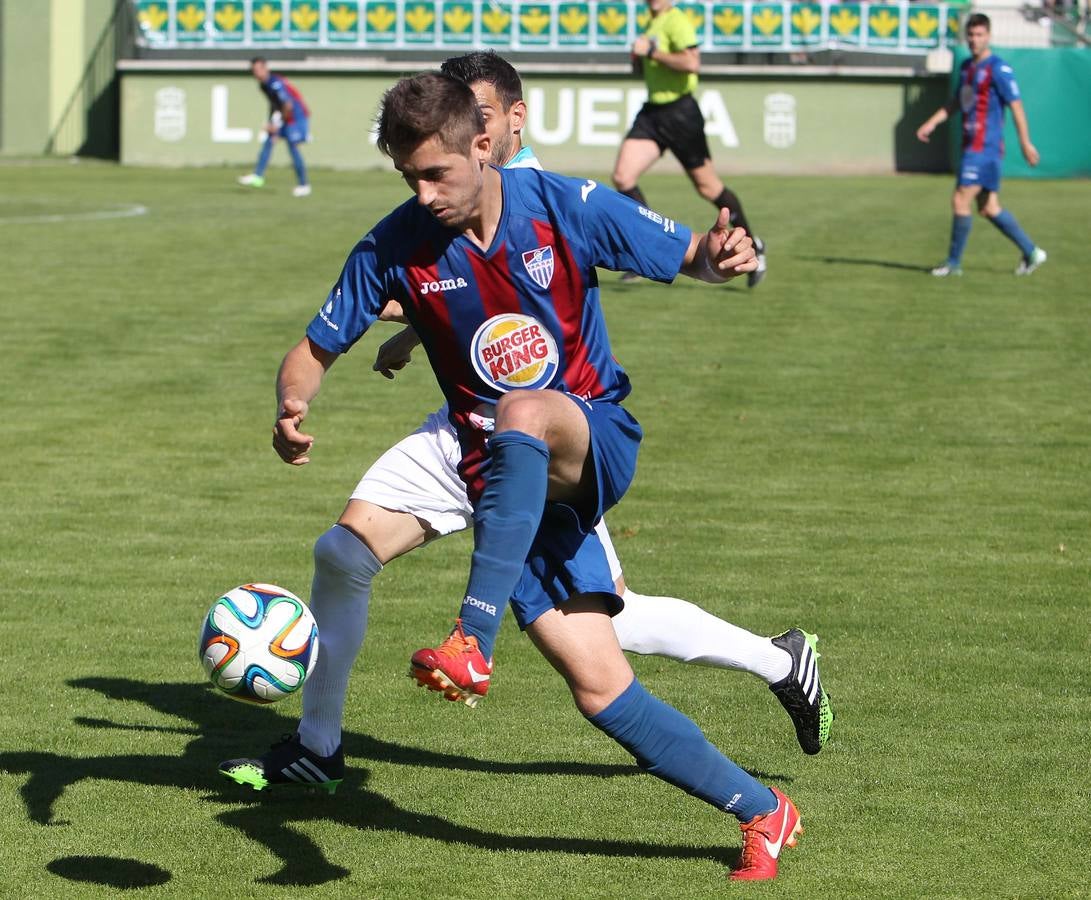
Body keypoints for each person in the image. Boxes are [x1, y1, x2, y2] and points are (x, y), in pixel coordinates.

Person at [223, 71, 808, 881]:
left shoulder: (566, 205)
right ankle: (763, 810)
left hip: (591, 433)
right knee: (600, 687)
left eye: (436, 173)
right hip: (493, 473)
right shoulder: (393, 244)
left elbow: (692, 257)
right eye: (407, 178)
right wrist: (291, 405)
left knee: (524, 408)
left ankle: (472, 637)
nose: (423, 193)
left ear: (485, 144)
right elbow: (316, 348)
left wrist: (721, 251)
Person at [612, 0, 766, 287]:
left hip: (681, 113)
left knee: (709, 187)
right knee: (623, 176)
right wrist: (638, 58)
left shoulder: (676, 20)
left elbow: (692, 62)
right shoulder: (652, 23)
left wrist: (653, 52)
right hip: (653, 112)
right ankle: (645, 251)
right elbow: (651, 66)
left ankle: (754, 248)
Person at [916, 14, 1046, 277]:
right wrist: (932, 122)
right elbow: (957, 103)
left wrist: (1025, 142)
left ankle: (953, 264)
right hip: (971, 145)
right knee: (988, 208)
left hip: (984, 149)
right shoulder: (966, 68)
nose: (975, 40)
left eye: (980, 35)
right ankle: (1032, 252)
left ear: (989, 36)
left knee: (960, 200)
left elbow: (1016, 107)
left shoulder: (998, 68)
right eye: (971, 35)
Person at [237, 57, 312, 198]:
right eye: (254, 70)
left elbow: (288, 105)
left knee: (293, 148)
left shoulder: (275, 83)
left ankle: (304, 185)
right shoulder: (263, 85)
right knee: (269, 141)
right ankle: (258, 176)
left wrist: (276, 124)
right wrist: (272, 122)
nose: (256, 73)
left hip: (295, 118)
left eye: (259, 69)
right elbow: (274, 105)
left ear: (266, 68)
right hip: (285, 117)